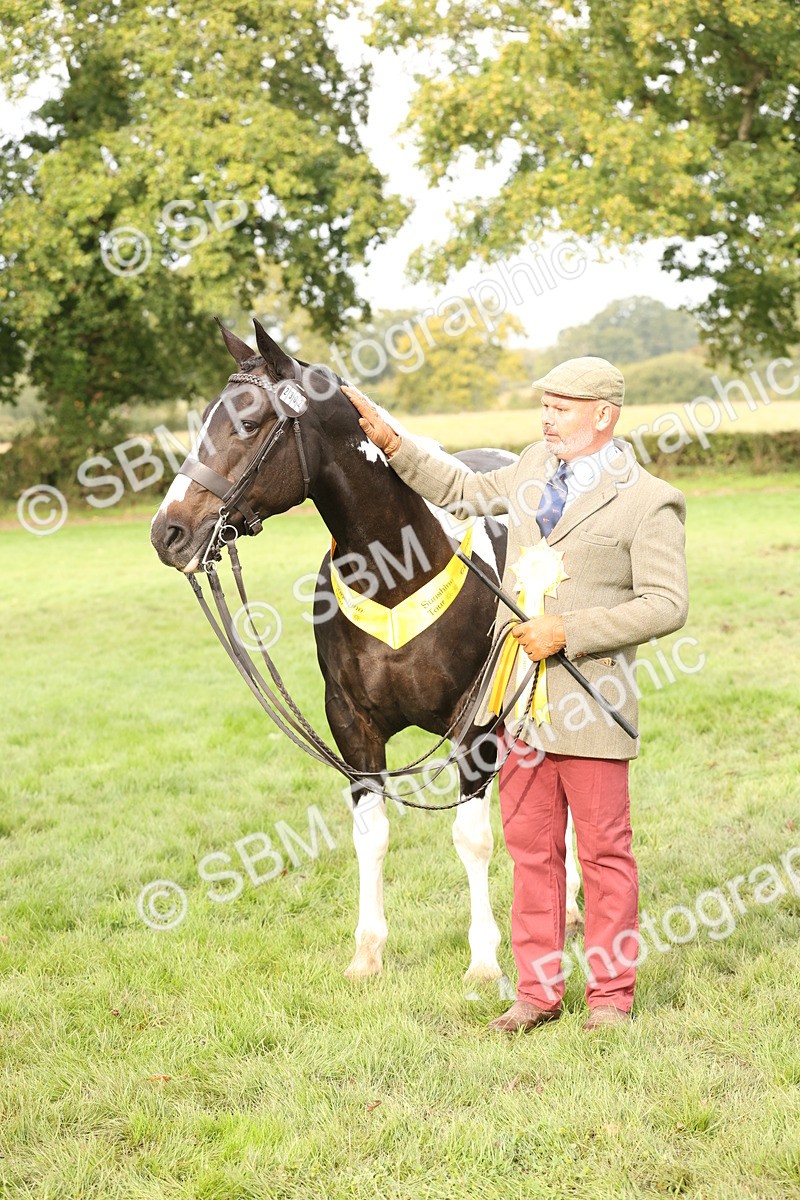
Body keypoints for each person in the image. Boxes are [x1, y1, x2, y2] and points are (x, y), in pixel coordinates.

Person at [343, 356, 689, 1032]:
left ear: (603, 415)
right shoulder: (532, 466)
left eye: (562, 408)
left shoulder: (650, 500)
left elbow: (666, 603)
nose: (547, 418)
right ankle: (537, 994)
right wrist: (392, 442)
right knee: (531, 853)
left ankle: (610, 999)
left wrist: (571, 631)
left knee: (604, 856)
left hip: (590, 704)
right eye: (545, 405)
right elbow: (461, 489)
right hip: (517, 706)